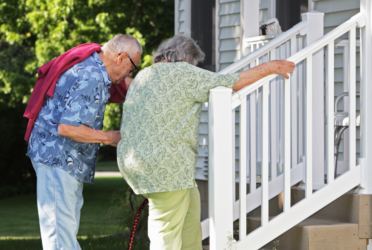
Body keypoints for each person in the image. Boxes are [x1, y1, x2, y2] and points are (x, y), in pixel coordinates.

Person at [117, 34, 295, 250]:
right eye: (193, 64)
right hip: (165, 167)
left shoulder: (145, 75)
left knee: (190, 215)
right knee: (165, 233)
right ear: (186, 59)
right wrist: (272, 67)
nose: (194, 68)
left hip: (137, 162)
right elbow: (232, 82)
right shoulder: (182, 73)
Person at [26, 34, 142, 250]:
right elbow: (66, 128)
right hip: (57, 158)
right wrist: (110, 137)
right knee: (60, 239)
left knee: (64, 231)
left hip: (64, 160)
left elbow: (127, 84)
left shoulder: (95, 68)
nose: (130, 73)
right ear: (121, 57)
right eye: (132, 67)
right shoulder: (90, 77)